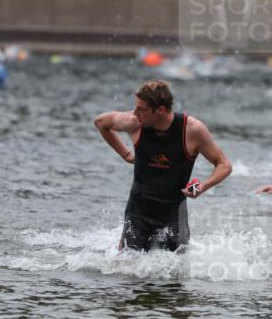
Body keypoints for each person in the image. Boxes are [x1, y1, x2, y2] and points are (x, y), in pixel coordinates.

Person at [95, 80, 232, 251]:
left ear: (159, 110)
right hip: (139, 209)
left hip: (174, 213)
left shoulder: (192, 130)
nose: (135, 113)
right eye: (135, 107)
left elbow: (224, 165)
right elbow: (101, 123)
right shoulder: (134, 122)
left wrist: (203, 186)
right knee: (126, 271)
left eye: (141, 109)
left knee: (174, 274)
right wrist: (126, 155)